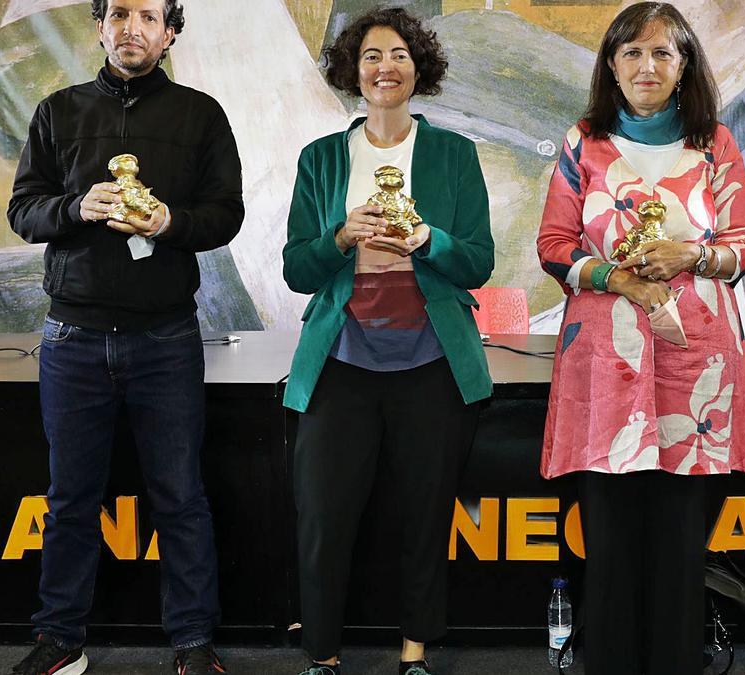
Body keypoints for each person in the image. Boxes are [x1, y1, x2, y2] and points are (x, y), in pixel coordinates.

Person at [6, 0, 243, 672]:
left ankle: (193, 640)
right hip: (72, 337)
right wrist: (76, 207)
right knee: (70, 497)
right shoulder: (58, 110)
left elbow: (226, 214)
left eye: (147, 15)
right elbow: (23, 210)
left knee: (180, 494)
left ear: (170, 32)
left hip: (164, 337)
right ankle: (61, 638)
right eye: (119, 14)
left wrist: (171, 223)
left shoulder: (200, 115)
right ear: (100, 26)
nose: (132, 27)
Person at [535, 3, 745, 673]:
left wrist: (689, 255)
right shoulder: (584, 142)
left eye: (663, 53)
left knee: (678, 541)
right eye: (632, 52)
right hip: (604, 367)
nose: (647, 65)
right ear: (611, 63)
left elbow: (743, 246)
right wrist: (614, 277)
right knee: (608, 540)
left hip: (696, 373)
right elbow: (553, 246)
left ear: (684, 65)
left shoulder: (716, 142)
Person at [281, 8, 494, 675]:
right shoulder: (320, 158)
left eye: (399, 54)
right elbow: (296, 269)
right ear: (353, 71)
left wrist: (427, 237)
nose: (384, 67)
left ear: (418, 66)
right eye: (371, 55)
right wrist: (340, 237)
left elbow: (479, 262)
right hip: (340, 361)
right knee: (323, 517)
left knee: (425, 516)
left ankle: (414, 653)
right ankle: (322, 654)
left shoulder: (454, 154)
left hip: (431, 362)